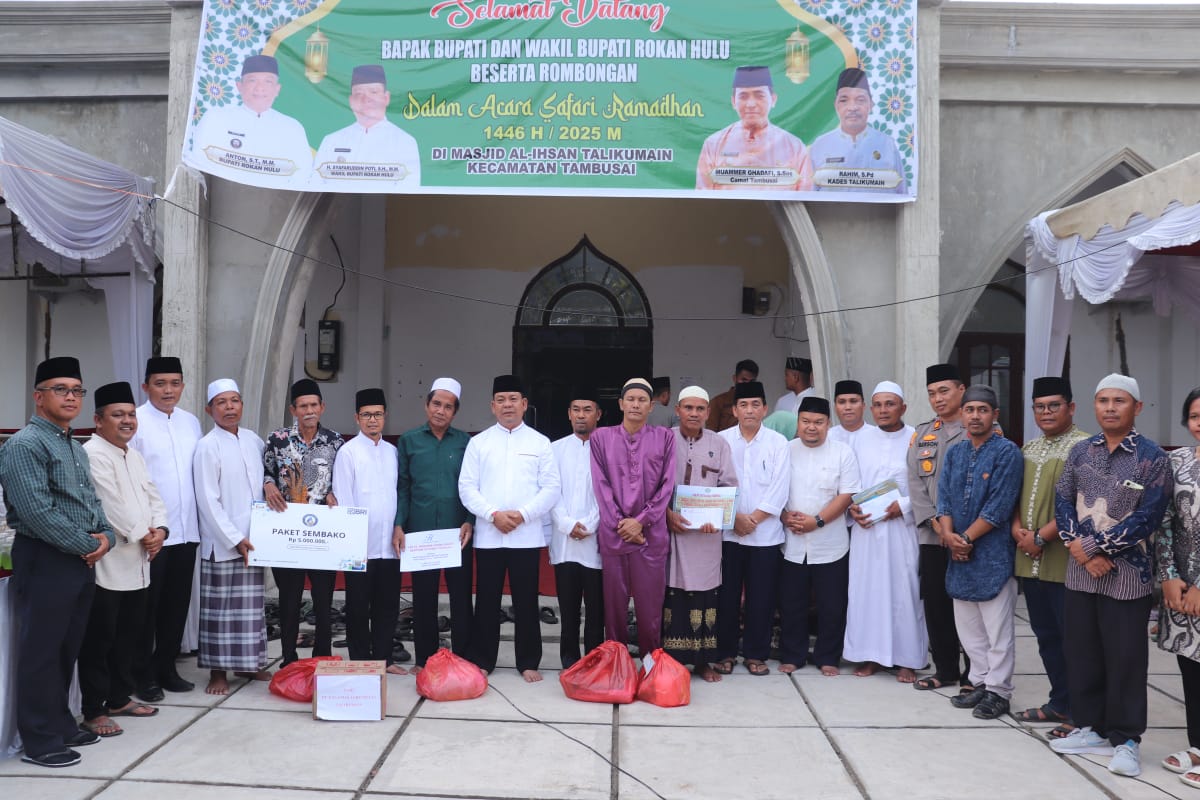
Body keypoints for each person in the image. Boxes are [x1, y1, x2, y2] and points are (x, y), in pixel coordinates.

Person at [1051, 374, 1170, 778]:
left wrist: (1095, 548)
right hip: (1081, 574)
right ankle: (1092, 729)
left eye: (1119, 401)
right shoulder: (1080, 452)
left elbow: (1148, 517)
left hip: (1127, 576)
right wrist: (1082, 551)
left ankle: (1126, 740)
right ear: (1094, 406)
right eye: (1103, 400)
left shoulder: (1153, 457)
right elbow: (1062, 502)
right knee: (1083, 653)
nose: (1110, 408)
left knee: (1126, 660)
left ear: (1137, 407)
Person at [0, 356, 114, 767]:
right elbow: (36, 512)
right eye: (60, 390)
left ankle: (61, 722)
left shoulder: (73, 445)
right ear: (38, 396)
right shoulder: (24, 445)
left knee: (67, 647)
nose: (71, 397)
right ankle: (38, 739)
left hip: (79, 558)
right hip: (45, 557)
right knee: (42, 651)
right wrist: (87, 544)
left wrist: (107, 536)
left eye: (77, 390)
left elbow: (91, 501)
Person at [79, 382, 168, 737]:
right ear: (98, 420)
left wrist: (161, 530)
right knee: (100, 640)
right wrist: (145, 534)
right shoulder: (93, 453)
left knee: (128, 637)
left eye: (131, 414)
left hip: (140, 561)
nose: (127, 420)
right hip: (109, 564)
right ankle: (93, 709)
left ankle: (118, 698)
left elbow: (153, 495)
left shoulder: (133, 455)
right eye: (118, 415)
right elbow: (109, 505)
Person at [458, 374, 559, 681]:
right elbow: (466, 487)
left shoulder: (540, 443)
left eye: (513, 399)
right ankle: (483, 659)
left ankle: (528, 661)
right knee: (487, 600)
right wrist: (493, 515)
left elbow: (551, 488)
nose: (507, 405)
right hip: (490, 536)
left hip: (525, 536)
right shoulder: (479, 443)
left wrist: (522, 515)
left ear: (524, 404)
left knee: (526, 601)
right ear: (492, 406)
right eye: (501, 400)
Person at [935, 385, 1022, 720]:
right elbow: (943, 499)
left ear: (994, 415)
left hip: (992, 555)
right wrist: (949, 536)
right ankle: (981, 683)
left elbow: (999, 506)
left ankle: (999, 691)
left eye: (982, 410)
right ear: (961, 414)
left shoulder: (1007, 452)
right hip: (959, 554)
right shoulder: (955, 453)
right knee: (970, 629)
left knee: (997, 631)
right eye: (969, 410)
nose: (975, 416)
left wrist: (964, 538)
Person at [1009, 377, 1089, 735]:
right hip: (1029, 558)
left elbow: (1083, 503)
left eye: (1054, 405)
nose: (1046, 412)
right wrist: (1017, 530)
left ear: (1070, 407)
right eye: (1039, 407)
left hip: (1064, 560)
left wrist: (1042, 536)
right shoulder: (1029, 448)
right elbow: (1014, 494)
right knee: (1045, 635)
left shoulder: (1085, 447)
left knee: (1074, 638)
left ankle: (1079, 712)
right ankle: (1059, 702)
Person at [129, 356, 203, 701]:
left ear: (183, 386)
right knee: (147, 607)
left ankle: (166, 668)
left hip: (187, 531)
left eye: (175, 383)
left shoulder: (191, 422)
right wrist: (143, 526)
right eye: (160, 383)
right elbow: (131, 478)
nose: (168, 390)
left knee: (176, 605)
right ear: (146, 386)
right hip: (152, 533)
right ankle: (141, 674)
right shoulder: (135, 421)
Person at [844, 382, 927, 682]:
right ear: (870, 409)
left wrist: (903, 507)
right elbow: (850, 483)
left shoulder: (917, 438)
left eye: (890, 404)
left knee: (905, 592)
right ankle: (871, 656)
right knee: (867, 592)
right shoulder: (860, 440)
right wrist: (851, 507)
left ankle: (907, 659)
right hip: (866, 529)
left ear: (903, 407)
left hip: (902, 529)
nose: (883, 410)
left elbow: (926, 485)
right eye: (878, 405)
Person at [193, 379, 270, 696]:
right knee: (221, 611)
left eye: (234, 400)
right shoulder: (207, 446)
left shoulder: (254, 440)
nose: (229, 407)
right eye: (221, 402)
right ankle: (218, 672)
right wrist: (235, 537)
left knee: (250, 610)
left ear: (242, 405)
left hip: (255, 539)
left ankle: (247, 664)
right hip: (223, 543)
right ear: (209, 409)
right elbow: (208, 500)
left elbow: (267, 480)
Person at [590, 377, 677, 658]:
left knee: (650, 607)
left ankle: (651, 664)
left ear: (651, 406)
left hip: (650, 535)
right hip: (614, 533)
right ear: (621, 404)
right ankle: (618, 664)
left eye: (642, 400)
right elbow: (601, 484)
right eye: (631, 399)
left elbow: (667, 484)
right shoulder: (601, 438)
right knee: (614, 606)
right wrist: (622, 522)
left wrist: (641, 521)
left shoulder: (665, 437)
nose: (636, 405)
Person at [262, 378, 344, 667]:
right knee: (289, 600)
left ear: (322, 407)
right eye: (303, 406)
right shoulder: (277, 439)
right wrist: (268, 484)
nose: (309, 411)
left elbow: (343, 478)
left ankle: (322, 657)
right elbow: (265, 471)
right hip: (287, 532)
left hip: (323, 534)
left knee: (323, 600)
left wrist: (335, 492)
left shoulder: (336, 442)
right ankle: (289, 659)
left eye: (313, 405)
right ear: (293, 410)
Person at [395, 377, 473, 672]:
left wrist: (470, 521)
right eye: (436, 404)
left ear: (455, 411)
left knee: (461, 597)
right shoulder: (409, 441)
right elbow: (403, 487)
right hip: (421, 531)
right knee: (423, 598)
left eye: (448, 406)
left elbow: (473, 486)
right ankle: (424, 659)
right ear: (426, 405)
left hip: (457, 532)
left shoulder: (465, 442)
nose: (441, 411)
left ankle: (464, 657)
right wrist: (399, 524)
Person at [779, 396, 860, 676]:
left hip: (830, 542)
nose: (811, 427)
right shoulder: (785, 450)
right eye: (806, 421)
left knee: (832, 605)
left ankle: (828, 656)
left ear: (828, 423)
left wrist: (818, 521)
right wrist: (783, 516)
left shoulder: (842, 453)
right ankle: (793, 655)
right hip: (792, 542)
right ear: (798, 422)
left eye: (818, 422)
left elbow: (847, 494)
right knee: (792, 604)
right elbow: (773, 489)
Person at [716, 381, 788, 677]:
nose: (749, 410)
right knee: (727, 596)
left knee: (762, 598)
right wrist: (735, 519)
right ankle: (725, 652)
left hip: (765, 536)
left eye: (755, 404)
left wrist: (753, 519)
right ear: (734, 410)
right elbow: (715, 485)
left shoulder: (778, 443)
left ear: (765, 409)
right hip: (728, 534)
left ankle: (756, 654)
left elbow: (780, 489)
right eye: (743, 405)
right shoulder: (720, 441)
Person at [665, 384, 737, 681]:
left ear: (708, 412)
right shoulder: (664, 439)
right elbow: (652, 484)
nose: (694, 413)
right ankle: (672, 661)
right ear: (678, 410)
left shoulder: (719, 444)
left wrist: (716, 517)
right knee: (673, 593)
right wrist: (665, 514)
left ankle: (703, 662)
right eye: (688, 407)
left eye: (699, 409)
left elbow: (729, 485)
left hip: (706, 535)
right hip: (672, 530)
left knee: (706, 595)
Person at [908, 363, 972, 692]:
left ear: (962, 390)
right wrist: (935, 522)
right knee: (935, 602)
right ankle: (945, 670)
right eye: (932, 393)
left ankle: (975, 675)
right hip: (932, 534)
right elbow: (915, 482)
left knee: (972, 606)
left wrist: (959, 531)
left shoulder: (981, 427)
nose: (938, 398)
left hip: (969, 536)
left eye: (944, 391)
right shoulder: (923, 434)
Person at [332, 388, 403, 673]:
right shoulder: (348, 453)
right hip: (359, 547)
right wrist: (353, 542)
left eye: (377, 414)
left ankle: (384, 659)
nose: (372, 420)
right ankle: (361, 661)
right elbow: (344, 500)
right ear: (357, 418)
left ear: (385, 416)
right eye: (366, 415)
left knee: (388, 606)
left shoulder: (393, 452)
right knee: (358, 608)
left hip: (389, 546)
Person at [1157, 386, 1200, 786]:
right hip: (1180, 584)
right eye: (1196, 416)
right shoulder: (1176, 461)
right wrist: (1170, 576)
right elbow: (1165, 521)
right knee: (1190, 665)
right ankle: (1197, 745)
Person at [548, 386, 605, 668]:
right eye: (576, 410)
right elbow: (549, 491)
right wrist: (567, 523)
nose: (581, 415)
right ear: (569, 414)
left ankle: (594, 662)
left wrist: (591, 524)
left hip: (597, 542)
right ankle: (569, 663)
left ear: (598, 414)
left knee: (596, 609)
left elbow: (610, 493)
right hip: (565, 540)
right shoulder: (554, 449)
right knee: (568, 609)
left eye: (587, 410)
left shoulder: (608, 449)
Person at [190, 54, 312, 184]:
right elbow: (199, 162)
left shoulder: (293, 128)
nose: (260, 88)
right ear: (239, 86)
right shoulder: (215, 118)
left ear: (277, 89)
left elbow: (303, 174)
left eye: (268, 81)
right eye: (252, 80)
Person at [696, 65, 813, 191]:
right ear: (733, 102)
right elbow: (703, 195)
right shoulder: (713, 145)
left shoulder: (794, 147)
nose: (751, 104)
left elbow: (805, 195)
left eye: (759, 95)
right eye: (743, 96)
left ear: (773, 100)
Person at [313, 64, 421, 186]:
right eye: (358, 94)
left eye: (373, 92)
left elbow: (408, 189)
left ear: (386, 98)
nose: (366, 99)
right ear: (351, 101)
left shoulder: (405, 142)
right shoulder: (331, 141)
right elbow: (315, 185)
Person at [809, 67, 907, 194]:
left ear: (871, 105)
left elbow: (902, 193)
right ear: (836, 105)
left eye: (860, 100)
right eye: (844, 100)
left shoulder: (887, 144)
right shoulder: (820, 145)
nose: (852, 107)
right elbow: (809, 194)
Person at [707, 358, 759, 432]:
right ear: (734, 378)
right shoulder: (718, 402)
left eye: (752, 381)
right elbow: (711, 434)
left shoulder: (757, 404)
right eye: (744, 380)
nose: (747, 384)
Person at [827, 379, 874, 448]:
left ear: (863, 406)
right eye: (842, 402)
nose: (848, 407)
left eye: (853, 401)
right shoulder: (827, 438)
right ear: (835, 408)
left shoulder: (876, 435)